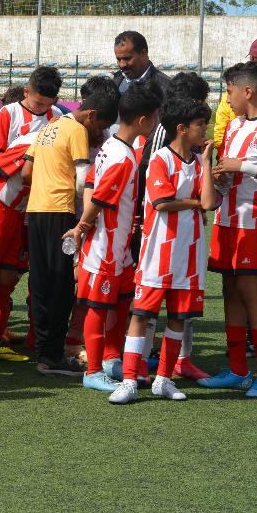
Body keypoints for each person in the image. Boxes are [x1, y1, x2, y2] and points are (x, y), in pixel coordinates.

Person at [109, 96, 219, 404]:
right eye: (200, 125)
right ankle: (130, 379)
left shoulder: (198, 163)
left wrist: (207, 165)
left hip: (190, 255)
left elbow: (210, 202)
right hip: (159, 253)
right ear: (182, 129)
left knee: (178, 318)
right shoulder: (159, 160)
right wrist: (196, 202)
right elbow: (162, 203)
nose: (205, 130)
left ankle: (164, 379)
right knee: (141, 315)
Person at [199, 62, 257, 399]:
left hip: (252, 224)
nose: (228, 99)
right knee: (229, 290)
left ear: (248, 91)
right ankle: (238, 368)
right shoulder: (235, 127)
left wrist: (245, 166)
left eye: (229, 92)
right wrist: (221, 176)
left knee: (249, 291)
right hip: (226, 221)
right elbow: (231, 174)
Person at [0, 67, 63, 366]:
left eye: (47, 103)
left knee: (7, 278)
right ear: (27, 91)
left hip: (23, 212)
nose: (42, 109)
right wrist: (28, 154)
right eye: (38, 102)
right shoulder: (8, 114)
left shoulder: (57, 117)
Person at [67, 85, 162, 393]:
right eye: (157, 116)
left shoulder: (112, 146)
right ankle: (93, 371)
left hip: (119, 244)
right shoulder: (123, 157)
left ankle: (110, 359)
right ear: (145, 121)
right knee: (98, 306)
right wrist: (82, 227)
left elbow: (92, 182)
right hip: (105, 246)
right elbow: (99, 198)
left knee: (120, 303)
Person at [22, 83, 119, 377]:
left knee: (39, 282)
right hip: (59, 212)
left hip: (35, 210)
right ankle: (53, 356)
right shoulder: (76, 130)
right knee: (62, 285)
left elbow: (26, 171)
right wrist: (86, 217)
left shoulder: (50, 125)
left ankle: (42, 352)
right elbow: (82, 181)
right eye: (99, 125)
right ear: (90, 115)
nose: (98, 132)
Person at [110, 30, 170, 94]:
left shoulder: (166, 88)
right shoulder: (114, 81)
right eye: (118, 59)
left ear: (143, 54)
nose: (122, 65)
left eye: (127, 58)